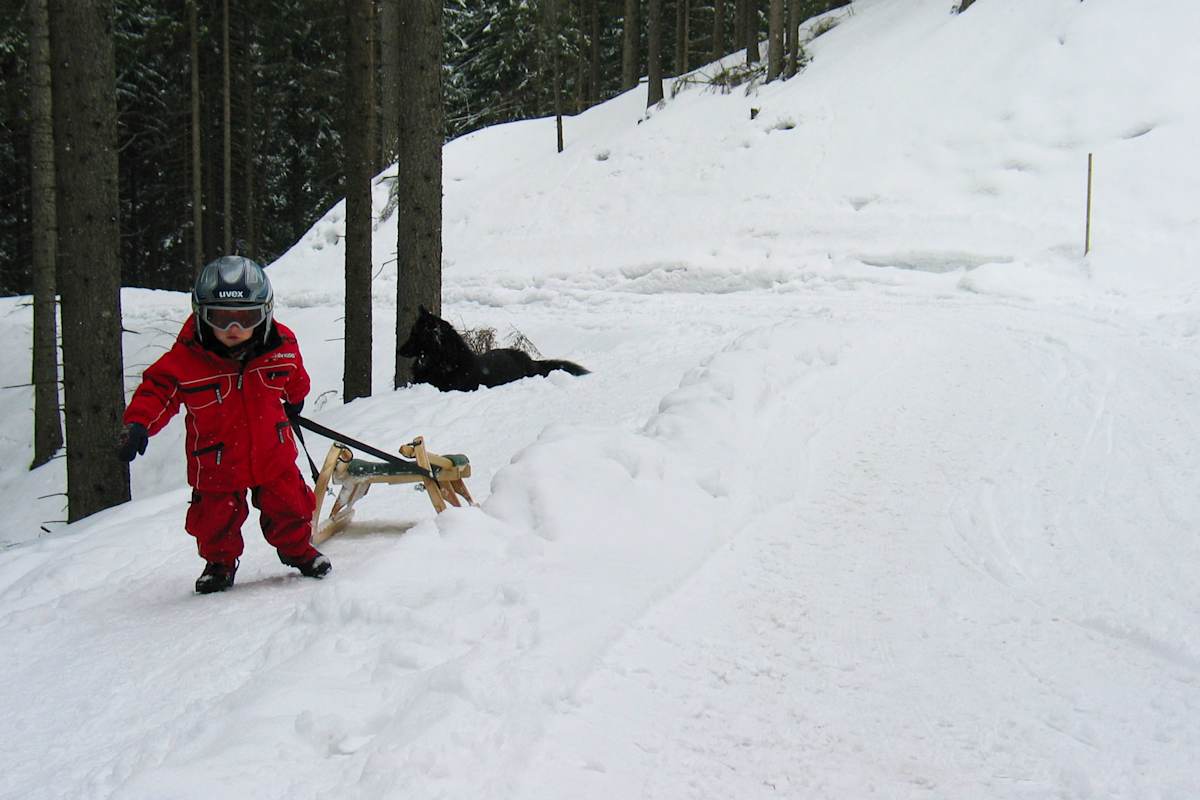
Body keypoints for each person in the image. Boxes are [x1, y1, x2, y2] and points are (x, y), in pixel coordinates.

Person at [116, 255, 331, 594]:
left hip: (271, 452)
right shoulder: (186, 360)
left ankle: (299, 551)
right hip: (216, 460)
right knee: (215, 519)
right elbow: (158, 391)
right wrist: (139, 423)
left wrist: (296, 396)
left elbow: (293, 373)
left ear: (264, 314)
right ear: (202, 315)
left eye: (245, 318)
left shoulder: (280, 345)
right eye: (221, 318)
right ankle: (219, 564)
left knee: (290, 505)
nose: (234, 329)